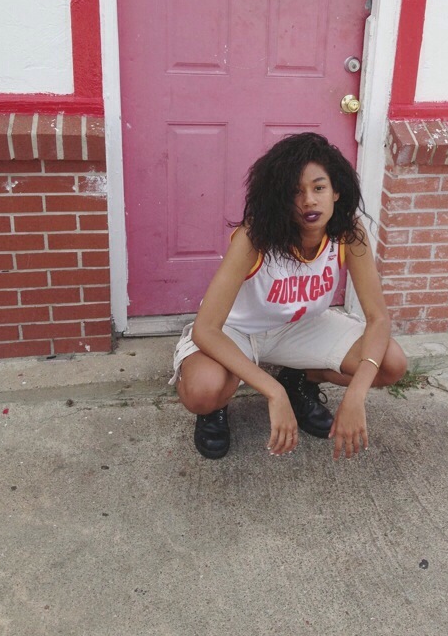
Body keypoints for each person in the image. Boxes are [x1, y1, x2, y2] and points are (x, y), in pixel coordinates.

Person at [170, 132, 407, 460]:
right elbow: (206, 328)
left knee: (391, 364)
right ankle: (217, 406)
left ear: (336, 191)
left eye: (319, 188)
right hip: (236, 331)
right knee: (203, 392)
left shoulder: (348, 232)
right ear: (280, 197)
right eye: (296, 191)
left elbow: (378, 317)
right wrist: (273, 392)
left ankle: (299, 381)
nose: (309, 200)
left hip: (300, 327)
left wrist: (356, 394)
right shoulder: (255, 237)